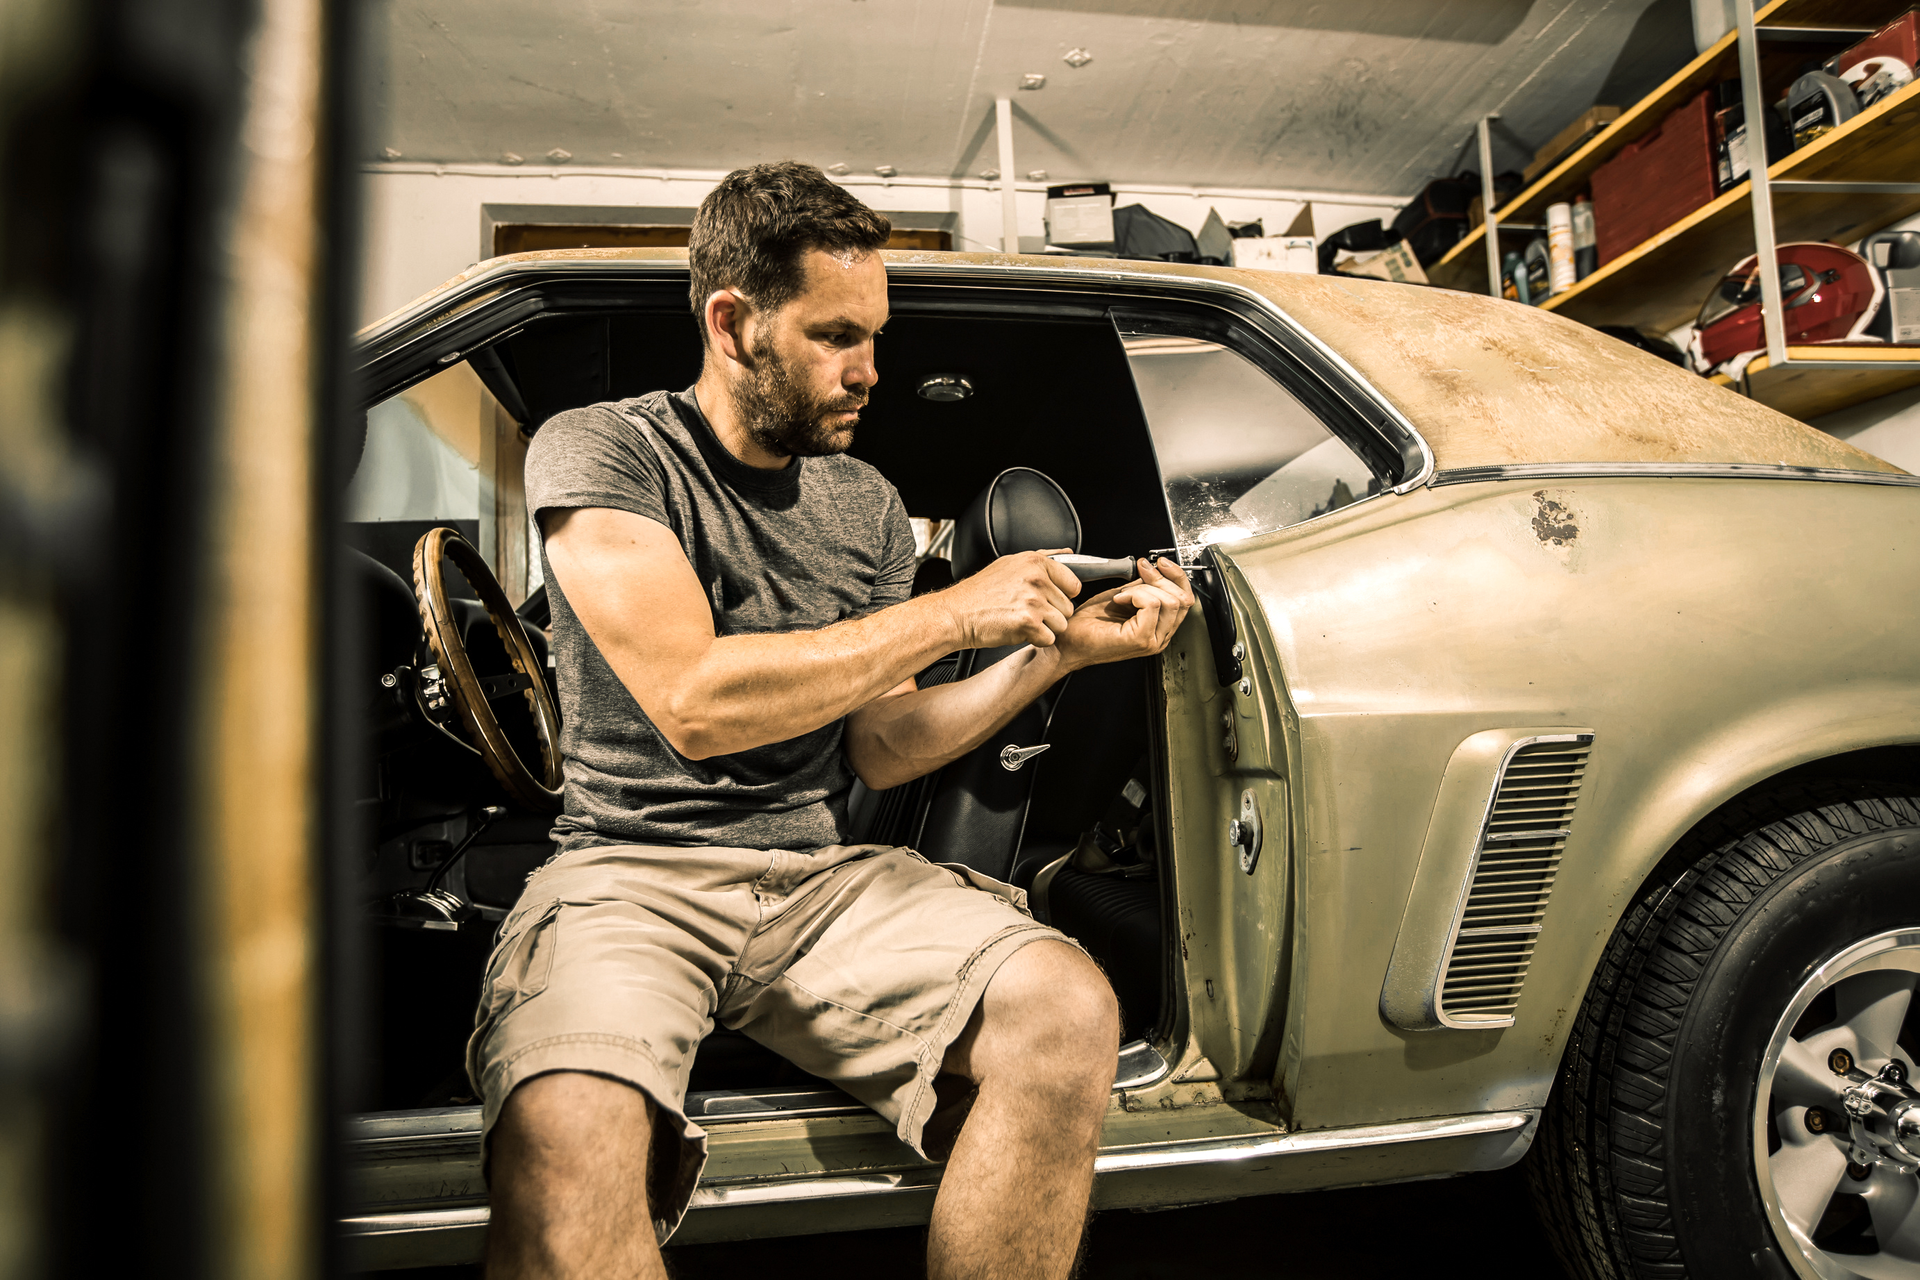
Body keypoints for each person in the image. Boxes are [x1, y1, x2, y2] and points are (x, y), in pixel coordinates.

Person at [475, 160, 1195, 1279]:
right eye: (835, 336)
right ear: (732, 321)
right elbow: (694, 701)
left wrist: (1048, 659)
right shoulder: (605, 448)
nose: (870, 372)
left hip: (817, 879)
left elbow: (881, 739)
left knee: (1065, 1006)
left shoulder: (860, 501)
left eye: (877, 335)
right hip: (630, 872)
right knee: (562, 1128)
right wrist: (958, 607)